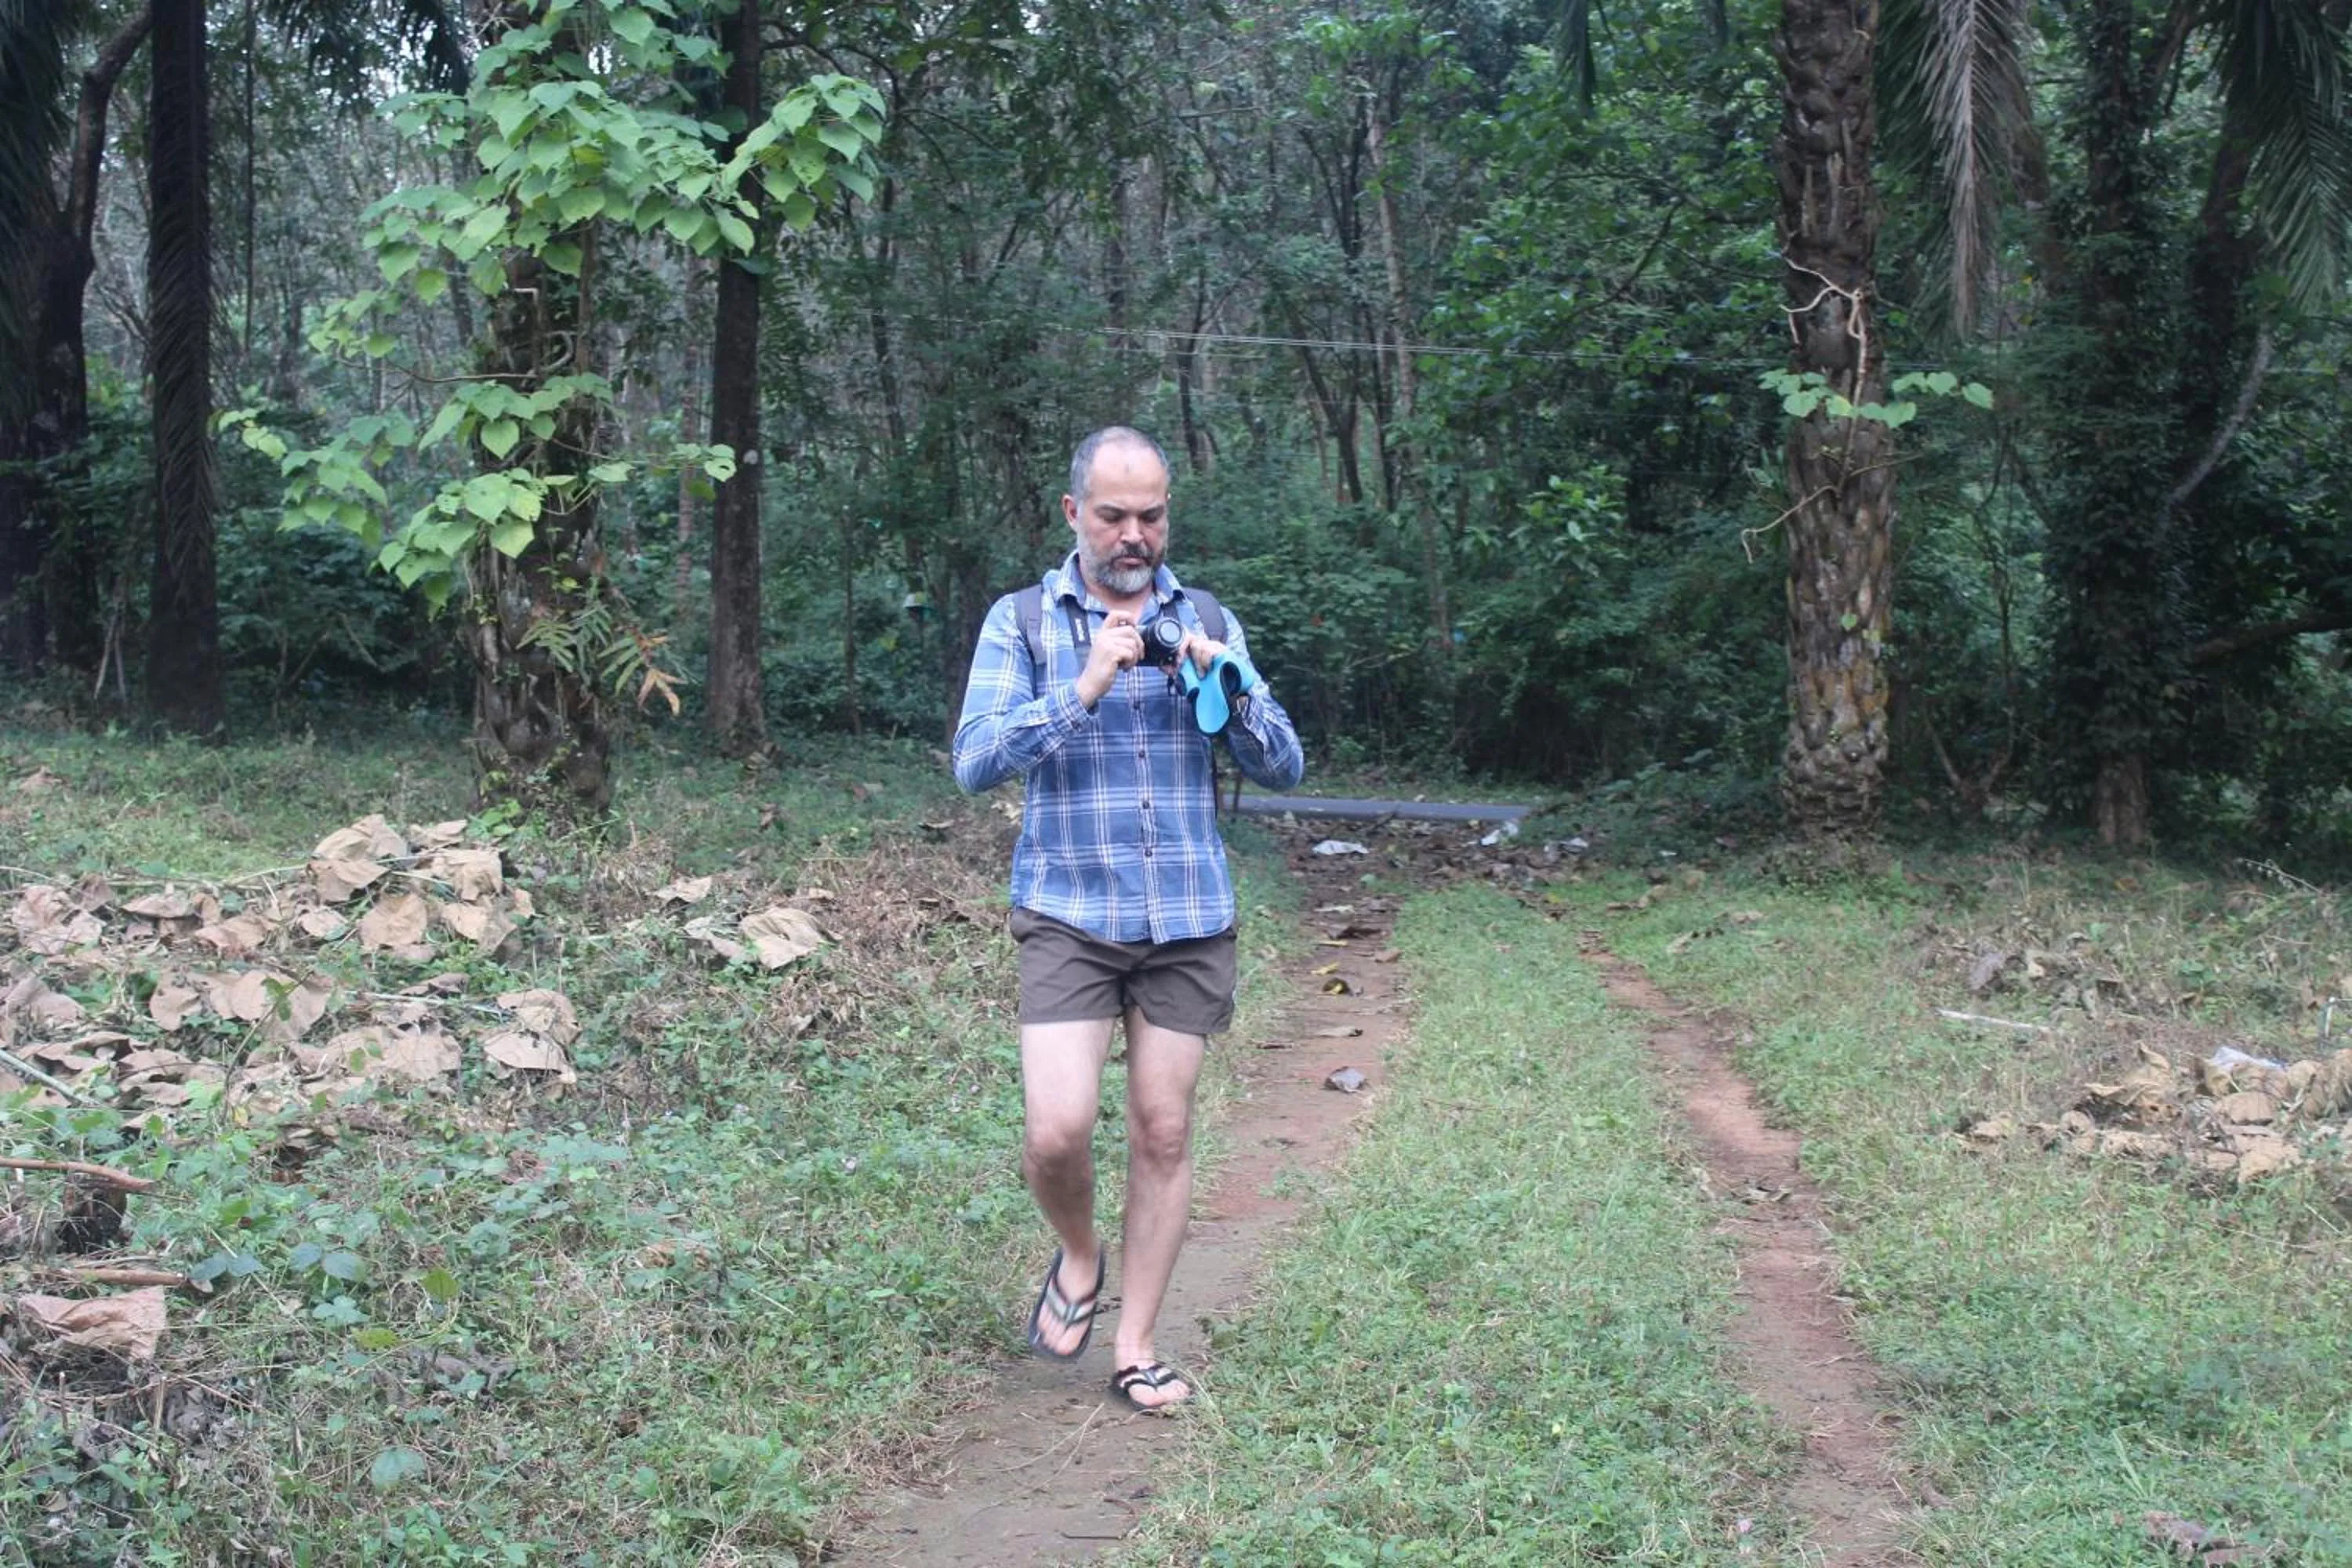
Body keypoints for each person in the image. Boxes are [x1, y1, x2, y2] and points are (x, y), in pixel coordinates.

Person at [952, 426, 1305, 1412]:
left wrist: (1227, 686)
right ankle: (1078, 1252)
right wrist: (1083, 688)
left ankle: (1137, 1345)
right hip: (1069, 909)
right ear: (1075, 513)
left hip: (1187, 914)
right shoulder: (1024, 620)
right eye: (1113, 516)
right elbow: (974, 760)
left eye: (1151, 516)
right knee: (1057, 1131)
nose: (1134, 535)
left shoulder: (1207, 616)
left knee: (1162, 1129)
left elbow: (1284, 764)